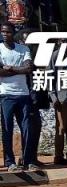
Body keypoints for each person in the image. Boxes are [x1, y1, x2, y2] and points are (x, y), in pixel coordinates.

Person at [0, 22, 36, 173]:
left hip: (23, 94)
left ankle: (28, 161)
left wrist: (11, 68)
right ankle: (10, 163)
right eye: (2, 32)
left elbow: (29, 68)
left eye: (8, 32)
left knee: (27, 128)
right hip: (5, 94)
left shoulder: (23, 49)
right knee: (7, 129)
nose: (5, 34)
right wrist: (19, 70)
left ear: (13, 33)